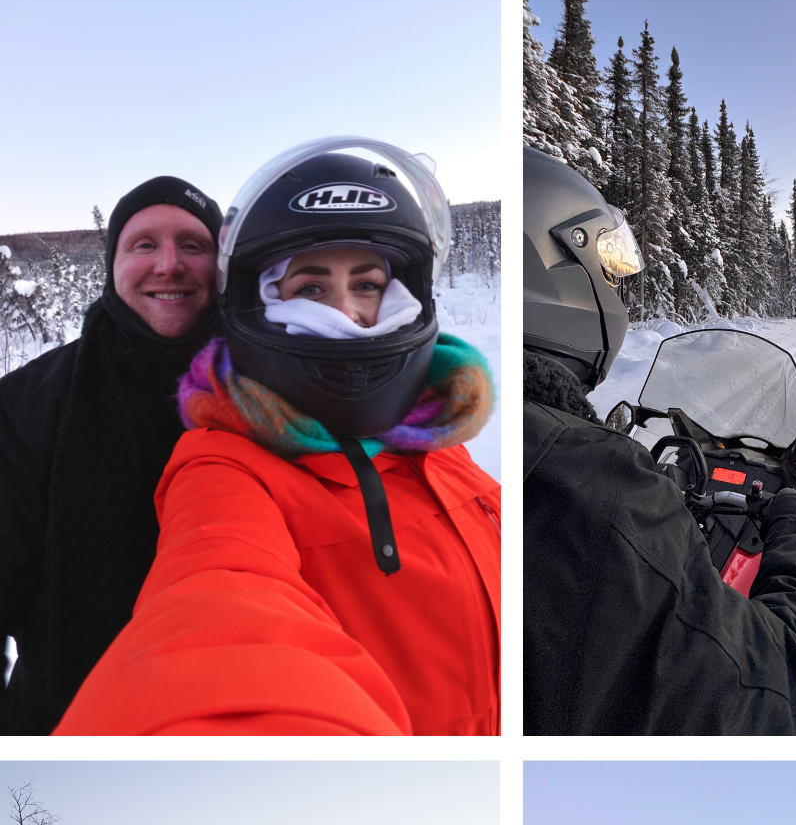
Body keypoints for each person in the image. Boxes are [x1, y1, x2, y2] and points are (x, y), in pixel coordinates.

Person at [53, 138, 500, 735]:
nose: (347, 313)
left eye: (368, 285)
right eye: (311, 290)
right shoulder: (225, 467)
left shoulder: (436, 438)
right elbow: (218, 609)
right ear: (258, 303)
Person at [523, 146, 796, 735]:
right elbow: (783, 696)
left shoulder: (465, 448)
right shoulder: (591, 485)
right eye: (611, 274)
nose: (617, 294)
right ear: (557, 269)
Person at [0, 177, 223, 734]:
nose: (168, 265)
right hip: (62, 719)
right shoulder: (30, 402)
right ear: (113, 265)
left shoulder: (276, 395)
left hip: (242, 714)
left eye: (193, 245)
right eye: (143, 244)